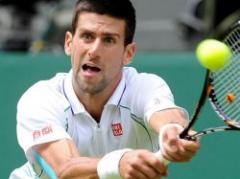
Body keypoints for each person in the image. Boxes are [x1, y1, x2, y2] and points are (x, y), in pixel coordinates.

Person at [10, 0, 200, 178]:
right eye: (87, 36)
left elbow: (167, 115)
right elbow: (64, 169)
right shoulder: (41, 98)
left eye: (108, 40)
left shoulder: (145, 86)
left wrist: (173, 131)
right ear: (69, 43)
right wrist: (117, 164)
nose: (94, 51)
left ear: (128, 53)